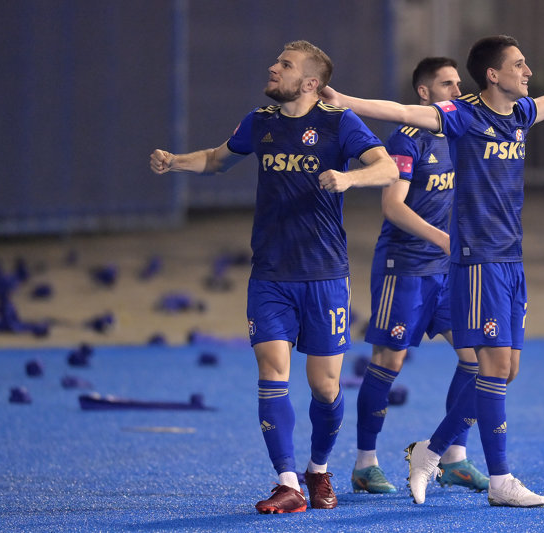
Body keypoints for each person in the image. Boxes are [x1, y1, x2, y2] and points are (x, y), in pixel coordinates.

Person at [322, 35, 544, 507]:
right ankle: (499, 479)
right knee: (481, 366)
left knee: (505, 370)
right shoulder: (464, 117)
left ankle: (433, 451)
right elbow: (403, 112)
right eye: (519, 64)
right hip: (475, 263)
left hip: (511, 259)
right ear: (493, 75)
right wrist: (345, 100)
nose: (529, 72)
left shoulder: (520, 114)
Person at [150, 40, 398, 514]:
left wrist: (348, 178)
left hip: (324, 274)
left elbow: (386, 168)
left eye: (284, 64)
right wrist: (176, 161)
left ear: (309, 83)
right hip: (270, 274)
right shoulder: (259, 122)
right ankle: (288, 484)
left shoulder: (339, 122)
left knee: (325, 387)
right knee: (272, 373)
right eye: (277, 61)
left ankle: (318, 470)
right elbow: (217, 159)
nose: (273, 67)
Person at [350, 57, 488, 495]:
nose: (458, 91)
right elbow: (392, 206)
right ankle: (365, 464)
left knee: (478, 358)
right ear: (424, 93)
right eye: (447, 84)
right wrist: (443, 239)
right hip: (405, 267)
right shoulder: (406, 139)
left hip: (448, 271)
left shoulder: (460, 133)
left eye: (459, 83)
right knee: (388, 362)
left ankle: (454, 457)